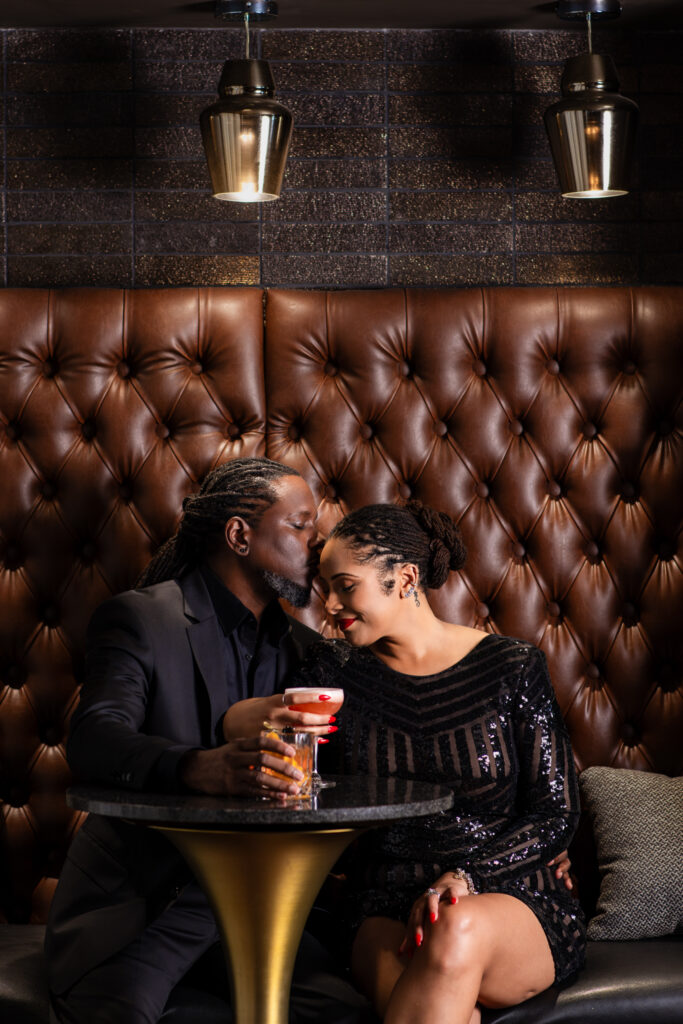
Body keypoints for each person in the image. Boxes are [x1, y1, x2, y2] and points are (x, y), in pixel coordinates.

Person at [45, 456, 373, 1024]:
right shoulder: (141, 619)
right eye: (300, 526)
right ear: (239, 535)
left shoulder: (305, 650)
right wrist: (199, 767)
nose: (316, 546)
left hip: (260, 910)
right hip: (143, 909)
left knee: (351, 1013)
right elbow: (95, 739)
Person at [289, 500, 586, 1024]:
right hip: (379, 902)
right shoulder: (332, 672)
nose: (330, 605)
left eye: (345, 585)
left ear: (404, 579)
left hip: (505, 891)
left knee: (453, 927)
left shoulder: (512, 666)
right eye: (325, 589)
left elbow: (555, 812)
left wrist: (468, 876)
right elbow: (314, 791)